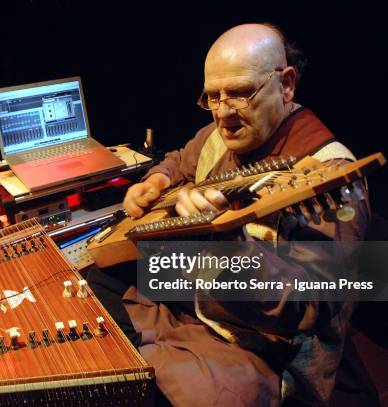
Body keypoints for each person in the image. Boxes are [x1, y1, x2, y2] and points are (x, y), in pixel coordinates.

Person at [87, 23, 371, 406]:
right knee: (98, 279)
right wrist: (155, 182)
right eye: (212, 97)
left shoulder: (330, 175)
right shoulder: (221, 134)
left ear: (286, 85)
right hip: (202, 293)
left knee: (201, 395)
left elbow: (304, 311)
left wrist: (229, 248)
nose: (223, 115)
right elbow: (179, 160)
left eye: (239, 94)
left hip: (266, 345)